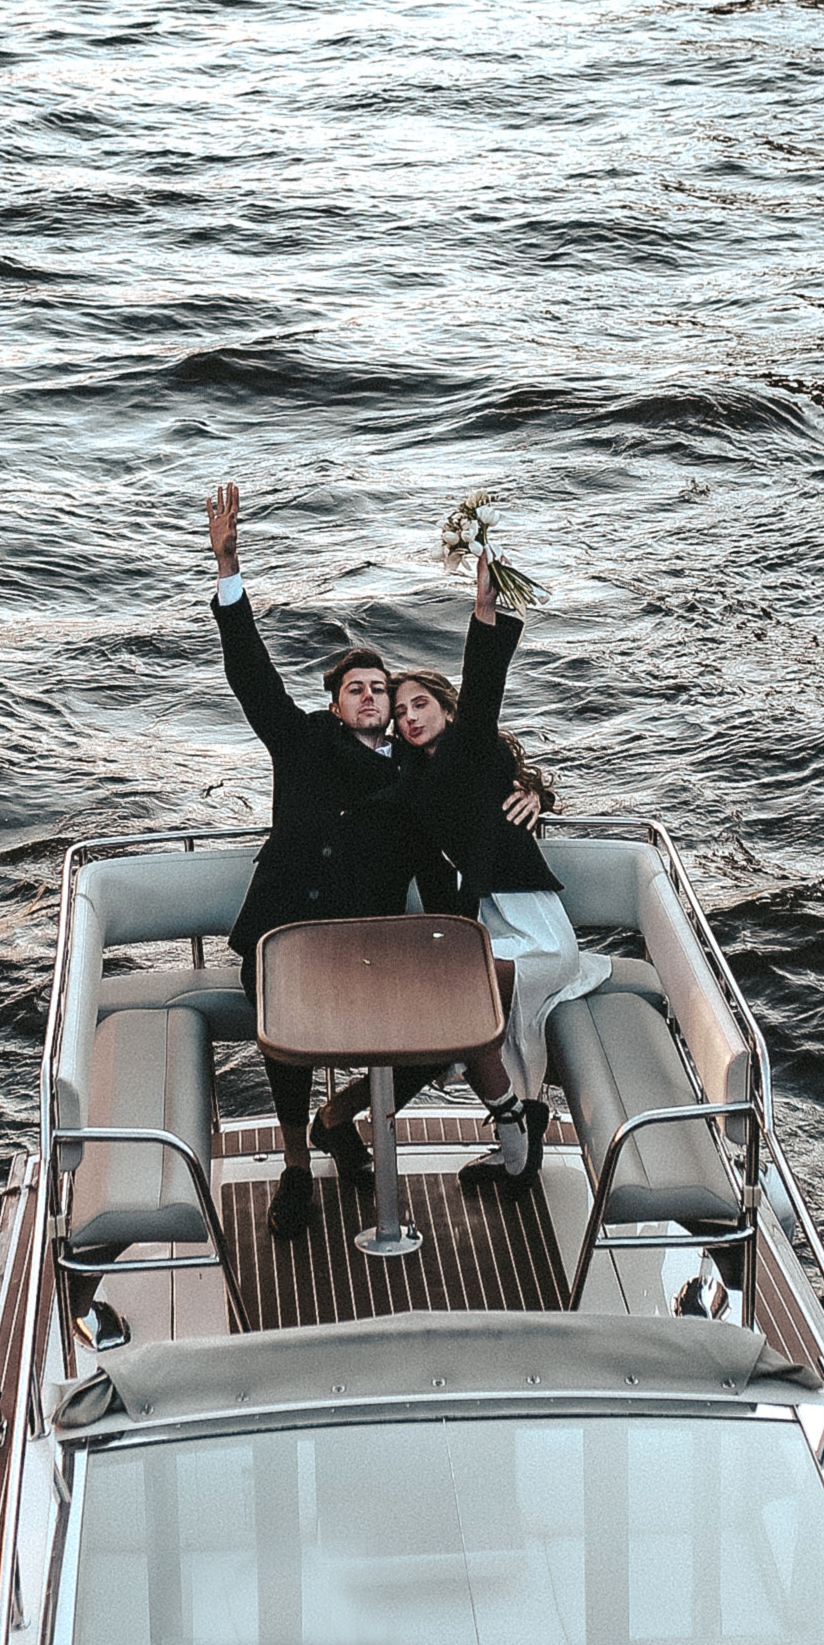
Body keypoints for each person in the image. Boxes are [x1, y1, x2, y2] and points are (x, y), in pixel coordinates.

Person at [206, 481, 432, 1240]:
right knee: (284, 1021)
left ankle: (342, 1118)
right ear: (336, 705)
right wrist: (228, 572)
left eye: (380, 689)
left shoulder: (414, 769)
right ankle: (297, 1164)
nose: (370, 696)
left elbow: (482, 777)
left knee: (447, 1029)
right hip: (284, 929)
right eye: (356, 689)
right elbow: (251, 678)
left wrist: (531, 790)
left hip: (368, 940)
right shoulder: (300, 740)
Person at [381, 601, 605, 1191]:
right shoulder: (414, 780)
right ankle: (517, 1145)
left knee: (463, 1005)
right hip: (489, 926)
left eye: (420, 704)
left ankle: (508, 1125)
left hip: (534, 933)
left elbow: (483, 691)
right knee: (468, 1012)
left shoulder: (472, 747)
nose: (408, 718)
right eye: (399, 712)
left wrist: (483, 613)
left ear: (449, 710)